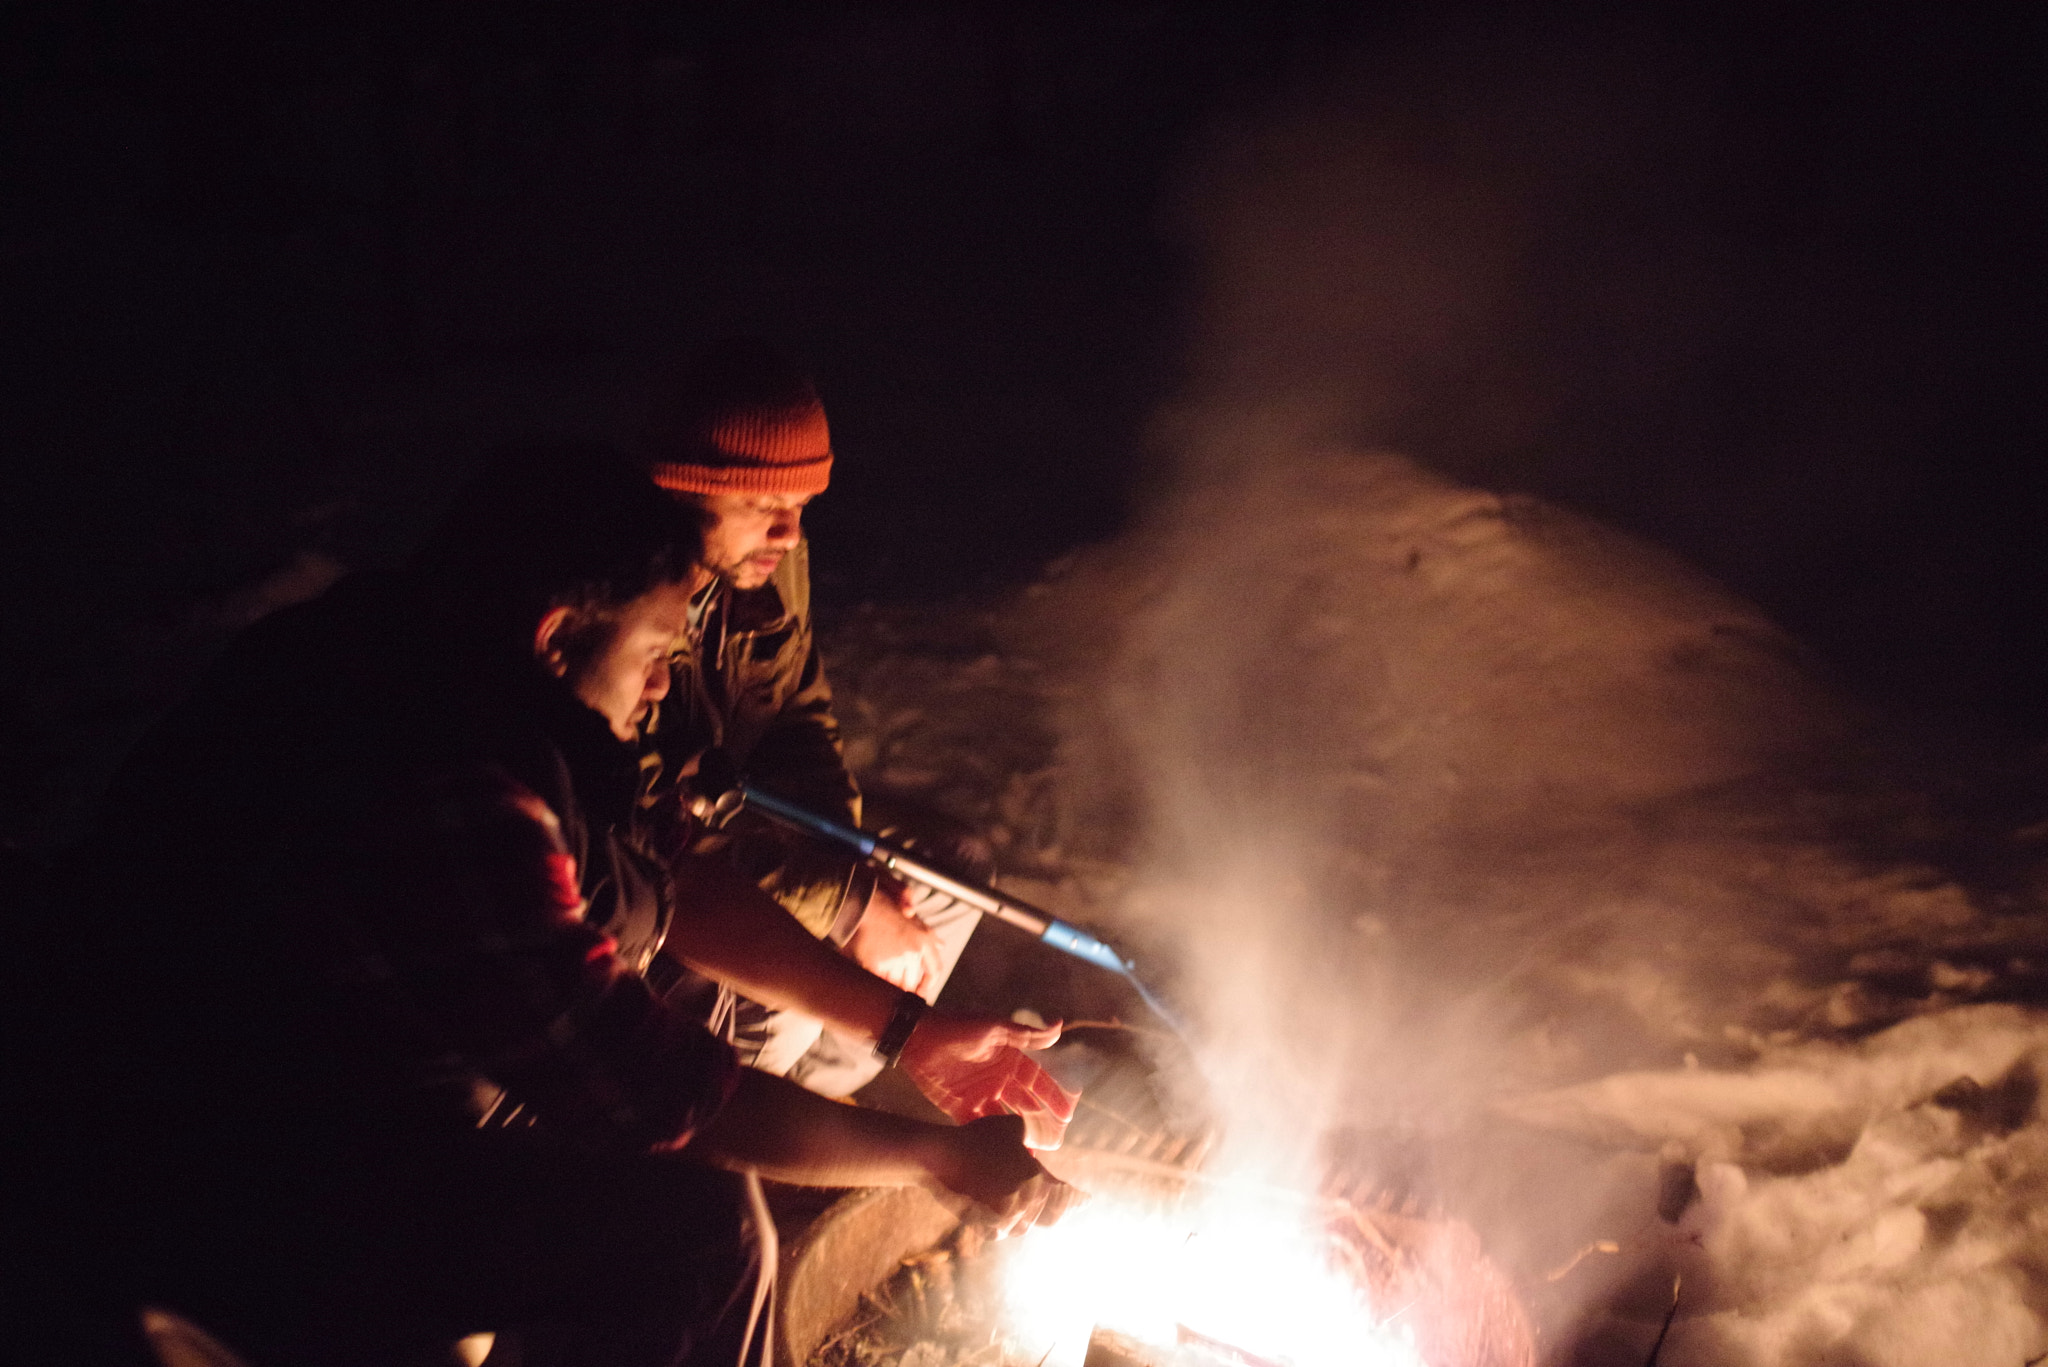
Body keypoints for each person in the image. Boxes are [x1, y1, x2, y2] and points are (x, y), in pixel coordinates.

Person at [56, 447, 1069, 1367]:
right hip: (221, 1183)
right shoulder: (442, 783)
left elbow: (671, 883)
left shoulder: (468, 680)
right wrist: (937, 1154)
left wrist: (908, 1027)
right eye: (655, 649)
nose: (666, 681)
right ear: (557, 635)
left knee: (674, 1029)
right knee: (695, 1237)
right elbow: (669, 1091)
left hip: (336, 1099)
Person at [638, 340, 996, 1100]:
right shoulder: (623, 602)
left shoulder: (765, 566)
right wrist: (848, 905)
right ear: (683, 491)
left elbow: (799, 714)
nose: (791, 535)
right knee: (798, 980)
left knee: (949, 870)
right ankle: (751, 1115)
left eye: (801, 507)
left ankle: (819, 1096)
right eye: (766, 507)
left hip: (742, 832)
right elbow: (655, 847)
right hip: (665, 889)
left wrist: (854, 863)